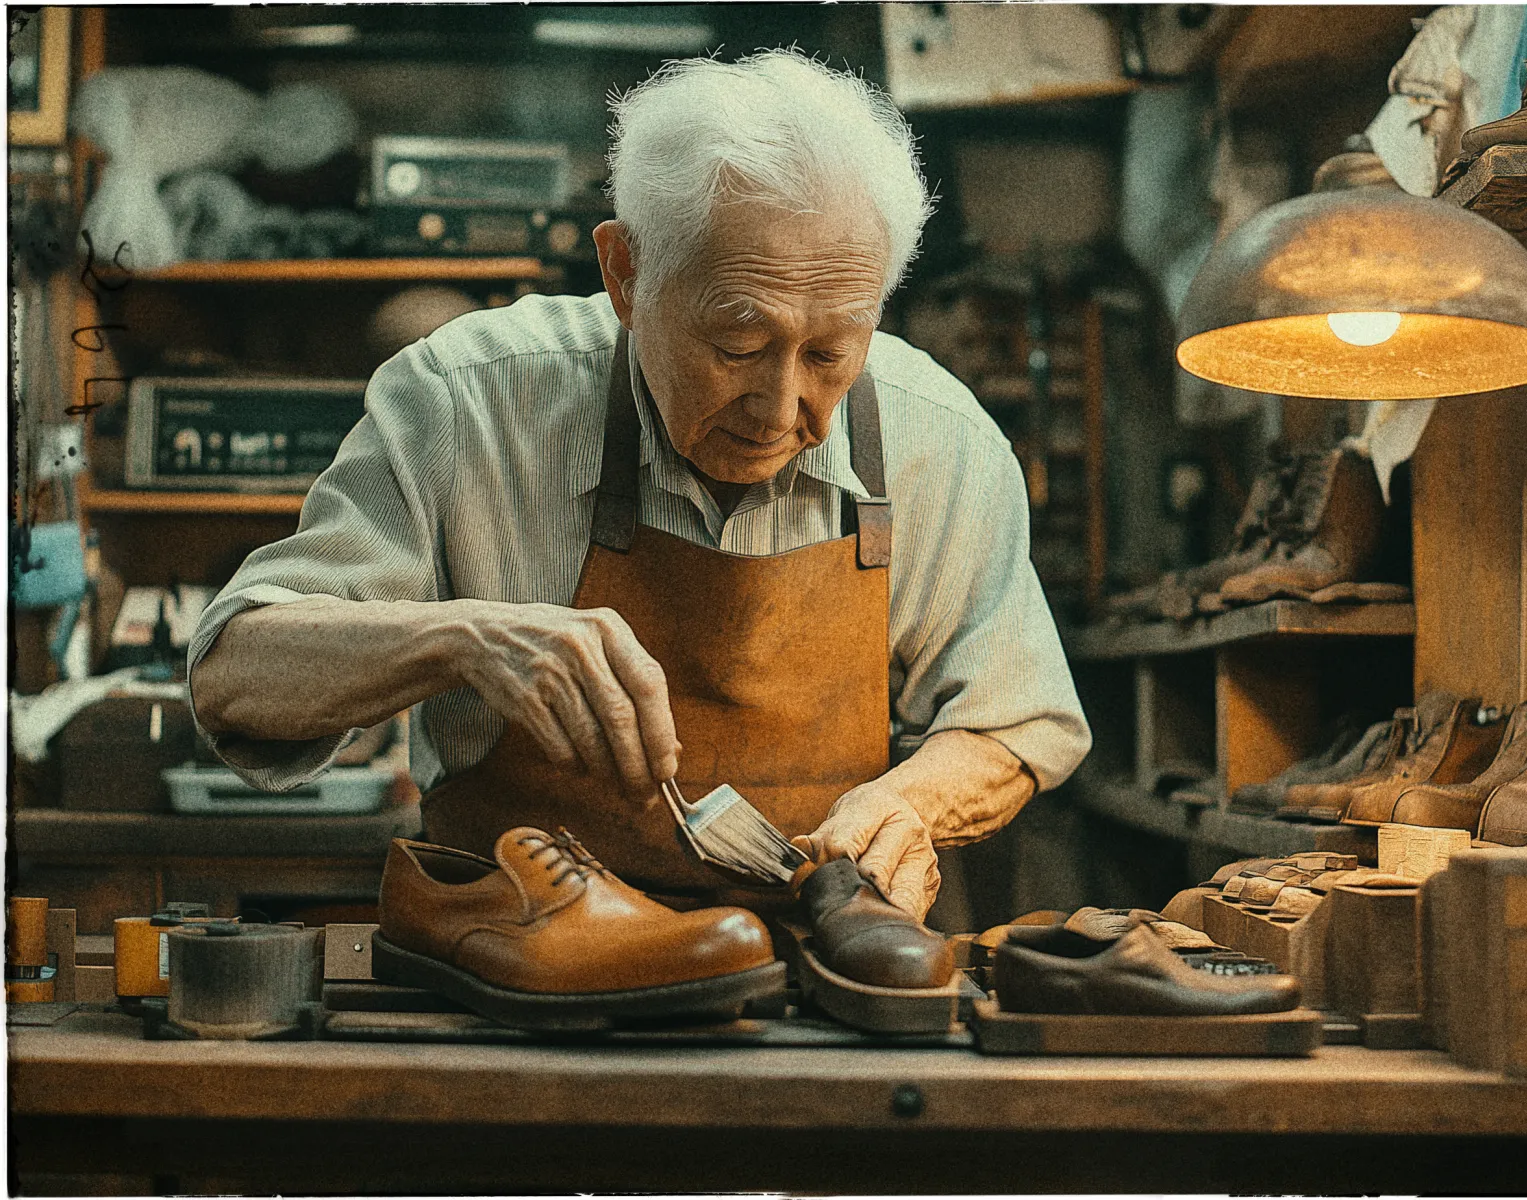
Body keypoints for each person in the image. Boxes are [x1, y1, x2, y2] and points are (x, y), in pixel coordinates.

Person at [188, 50, 1090, 921]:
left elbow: (1018, 722)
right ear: (625, 272)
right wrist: (460, 639)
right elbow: (234, 675)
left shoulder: (942, 439)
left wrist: (910, 806)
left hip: (826, 971)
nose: (780, 406)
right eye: (737, 344)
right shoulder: (464, 402)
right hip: (524, 979)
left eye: (830, 352)